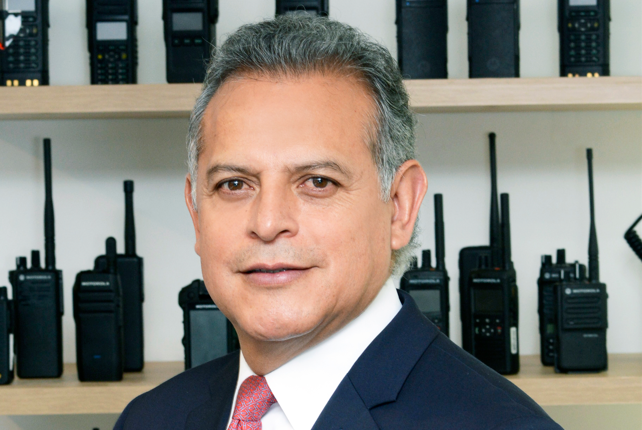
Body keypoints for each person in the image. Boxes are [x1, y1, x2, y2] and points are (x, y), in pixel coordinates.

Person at [115, 16, 562, 430]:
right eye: (234, 184)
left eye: (317, 182)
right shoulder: (149, 419)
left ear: (400, 206)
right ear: (196, 213)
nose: (267, 223)